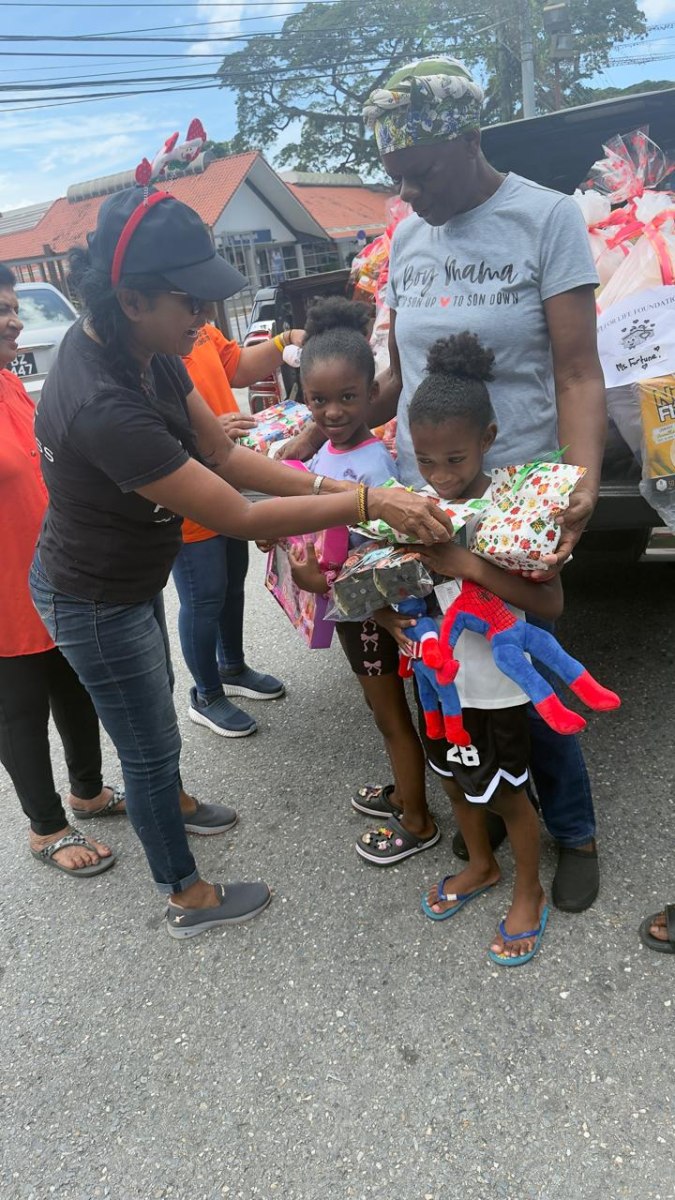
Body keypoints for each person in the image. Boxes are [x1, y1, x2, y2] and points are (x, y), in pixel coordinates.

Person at [29, 185, 453, 939]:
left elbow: (226, 456)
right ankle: (185, 895)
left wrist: (342, 488)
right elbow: (239, 513)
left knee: (154, 708)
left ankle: (170, 802)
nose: (205, 316)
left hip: (128, 575)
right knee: (149, 744)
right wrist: (367, 501)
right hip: (91, 594)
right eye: (189, 300)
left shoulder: (147, 351)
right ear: (131, 299)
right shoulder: (102, 402)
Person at [284, 56, 607, 914]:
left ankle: (572, 830)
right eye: (394, 176)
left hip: (510, 498)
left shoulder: (545, 219)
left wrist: (576, 484)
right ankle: (493, 813)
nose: (408, 193)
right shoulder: (409, 240)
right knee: (450, 672)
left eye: (419, 172)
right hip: (421, 500)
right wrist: (308, 441)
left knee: (523, 666)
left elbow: (578, 371)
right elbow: (394, 377)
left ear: (468, 139)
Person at [397, 332, 562, 963]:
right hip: (439, 684)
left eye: (454, 459)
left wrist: (465, 563)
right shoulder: (417, 507)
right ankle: (482, 865)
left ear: (488, 439)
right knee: (453, 780)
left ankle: (529, 889)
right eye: (425, 460)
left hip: (497, 688)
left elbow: (550, 603)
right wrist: (391, 618)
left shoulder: (515, 509)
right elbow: (398, 589)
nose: (440, 476)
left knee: (509, 793)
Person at [286, 297, 438, 862]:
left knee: (392, 717)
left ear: (373, 394)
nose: (332, 412)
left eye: (347, 398)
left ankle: (417, 820)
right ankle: (403, 793)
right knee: (382, 713)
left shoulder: (372, 468)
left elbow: (388, 560)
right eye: (319, 400)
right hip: (354, 612)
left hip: (373, 614)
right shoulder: (329, 454)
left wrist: (337, 592)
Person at [0, 263, 121, 878]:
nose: (14, 321)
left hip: (54, 575)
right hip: (3, 597)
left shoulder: (8, 382)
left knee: (75, 689)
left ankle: (88, 792)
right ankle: (44, 826)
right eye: (0, 311)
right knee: (20, 711)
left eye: (13, 308)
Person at [175, 320, 299, 738]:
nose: (196, 308)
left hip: (229, 483)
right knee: (203, 596)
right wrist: (205, 432)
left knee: (231, 583)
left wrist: (284, 341)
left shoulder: (200, 326)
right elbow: (144, 428)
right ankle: (206, 695)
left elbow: (237, 366)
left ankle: (232, 666)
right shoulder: (149, 344)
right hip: (189, 493)